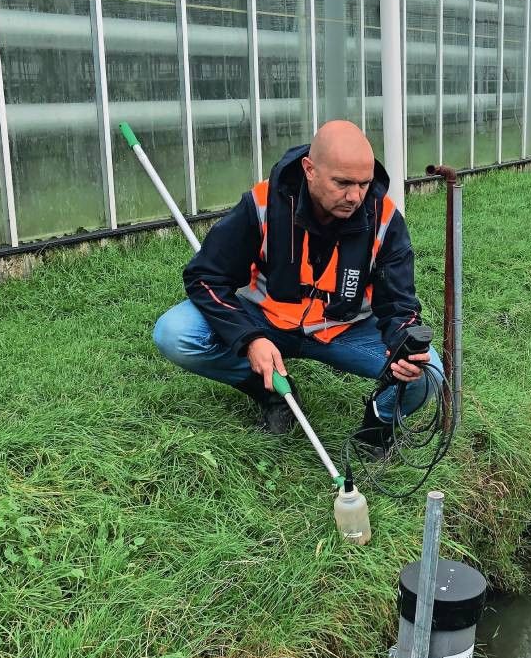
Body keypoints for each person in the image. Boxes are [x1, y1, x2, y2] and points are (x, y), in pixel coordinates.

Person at [153, 120, 440, 453]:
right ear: (310, 170)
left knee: (428, 369)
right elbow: (204, 277)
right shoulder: (262, 205)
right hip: (265, 321)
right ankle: (273, 392)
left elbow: (398, 304)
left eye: (363, 184)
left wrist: (404, 347)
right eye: (343, 183)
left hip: (344, 330)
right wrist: (249, 338)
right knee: (174, 333)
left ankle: (377, 428)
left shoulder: (385, 221)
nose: (355, 197)